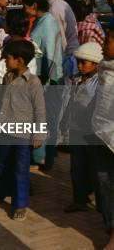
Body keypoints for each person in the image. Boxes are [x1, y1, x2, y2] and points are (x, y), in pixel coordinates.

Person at [0, 39, 46, 221]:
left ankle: (20, 204)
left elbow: (40, 110)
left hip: (22, 135)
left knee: (20, 169)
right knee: (1, 164)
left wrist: (39, 134)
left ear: (20, 61)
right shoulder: (8, 78)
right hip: (3, 130)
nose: (5, 62)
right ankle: (0, 193)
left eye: (7, 58)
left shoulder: (34, 83)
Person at [22, 0, 64, 171]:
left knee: (45, 119)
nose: (24, 9)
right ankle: (41, 155)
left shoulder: (47, 23)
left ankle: (45, 158)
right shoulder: (40, 21)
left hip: (47, 80)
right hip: (40, 78)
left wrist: (45, 79)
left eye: (26, 5)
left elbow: (51, 54)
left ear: (34, 5)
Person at [58, 42, 101, 213]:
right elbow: (66, 104)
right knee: (77, 167)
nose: (81, 66)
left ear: (96, 64)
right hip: (75, 129)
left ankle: (94, 195)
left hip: (91, 131)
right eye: (79, 62)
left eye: (85, 62)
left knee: (94, 166)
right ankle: (79, 199)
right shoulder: (74, 80)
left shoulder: (99, 83)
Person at [91, 25, 114, 249]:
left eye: (108, 40)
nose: (103, 44)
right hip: (102, 134)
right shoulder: (104, 69)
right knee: (103, 181)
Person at [33, 0, 79, 77]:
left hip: (65, 56)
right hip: (70, 54)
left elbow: (60, 38)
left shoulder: (53, 9)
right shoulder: (61, 3)